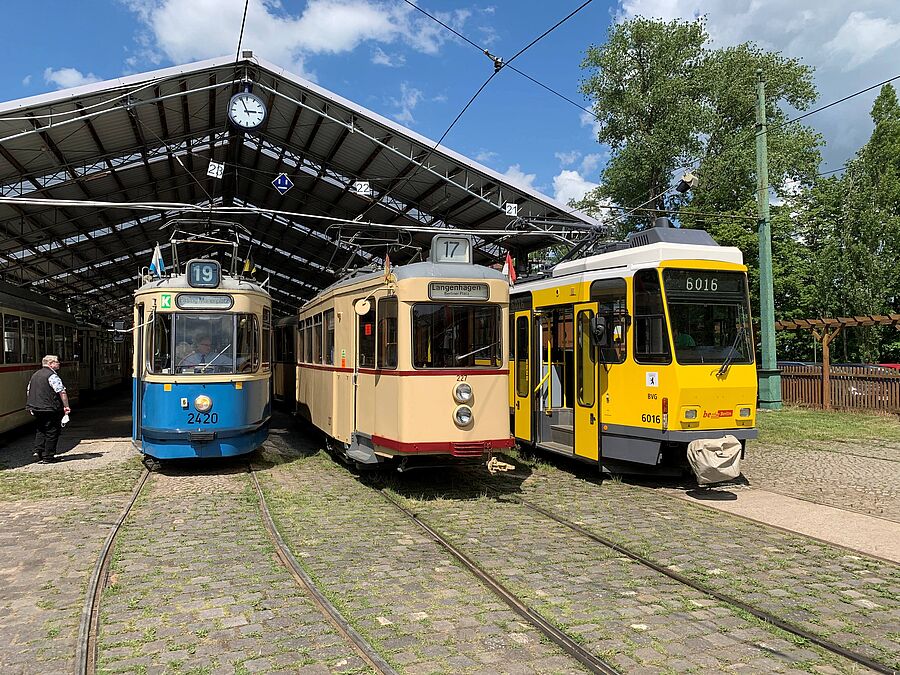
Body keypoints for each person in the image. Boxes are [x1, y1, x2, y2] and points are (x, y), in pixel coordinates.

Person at [26, 355, 71, 464]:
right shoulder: (52, 376)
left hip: (36, 407)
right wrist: (66, 406)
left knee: (41, 429)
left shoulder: (35, 375)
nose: (59, 363)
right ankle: (49, 456)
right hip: (50, 408)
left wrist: (33, 404)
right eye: (57, 361)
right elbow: (61, 391)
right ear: (50, 363)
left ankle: (38, 451)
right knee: (52, 431)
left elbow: (28, 390)